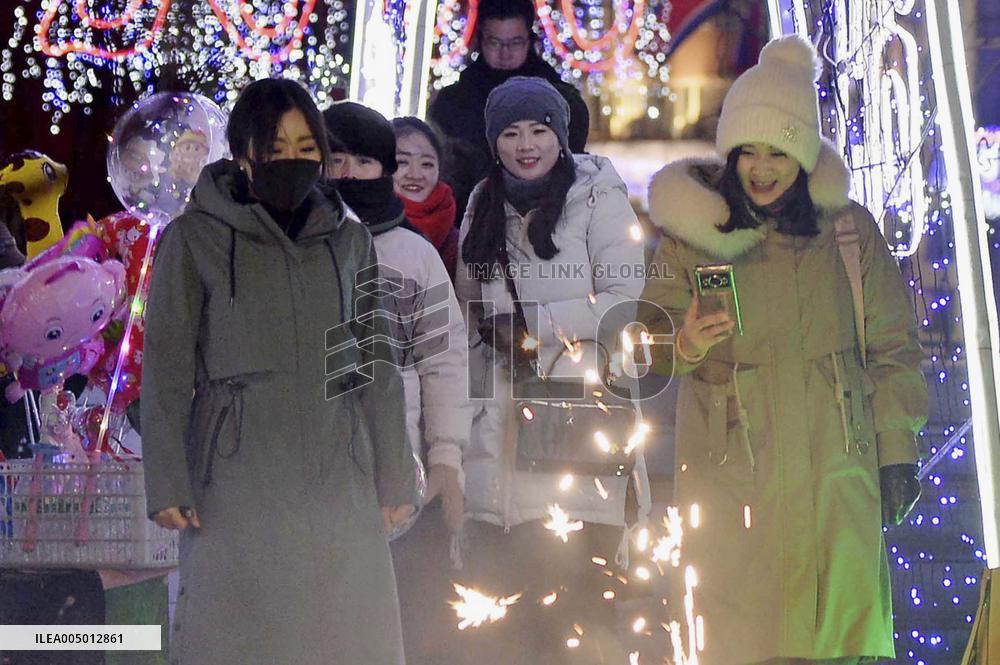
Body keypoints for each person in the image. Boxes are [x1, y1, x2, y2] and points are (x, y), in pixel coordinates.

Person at [638, 36, 928, 665]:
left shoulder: (849, 232)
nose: (762, 169)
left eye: (780, 151)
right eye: (749, 152)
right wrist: (680, 341)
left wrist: (897, 452)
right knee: (741, 641)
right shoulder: (693, 236)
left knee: (838, 642)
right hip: (733, 476)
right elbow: (644, 340)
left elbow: (894, 348)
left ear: (804, 155)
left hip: (836, 471)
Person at [141, 79, 417, 665]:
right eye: (274, 147)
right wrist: (167, 480)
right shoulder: (193, 240)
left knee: (343, 637)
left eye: (304, 146)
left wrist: (396, 472)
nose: (291, 160)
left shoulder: (348, 239)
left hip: (338, 466)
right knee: (239, 638)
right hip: (236, 474)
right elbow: (165, 369)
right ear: (243, 155)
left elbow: (377, 362)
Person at [453, 76, 649, 664]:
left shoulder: (596, 194)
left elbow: (622, 298)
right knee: (502, 625)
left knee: (577, 615)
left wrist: (535, 331)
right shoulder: (481, 202)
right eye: (510, 133)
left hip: (573, 428)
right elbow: (468, 311)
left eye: (539, 129)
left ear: (560, 135)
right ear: (494, 142)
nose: (526, 144)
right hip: (495, 431)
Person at [323, 101, 473, 664]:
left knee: (396, 624)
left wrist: (446, 459)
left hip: (396, 473)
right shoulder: (291, 246)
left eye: (363, 160)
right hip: (307, 469)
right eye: (335, 157)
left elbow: (444, 360)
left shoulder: (414, 254)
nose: (347, 173)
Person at [427, 0, 590, 225]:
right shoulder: (453, 102)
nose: (505, 53)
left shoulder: (563, 101)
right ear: (480, 41)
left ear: (529, 41)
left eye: (515, 43)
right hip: (471, 222)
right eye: (495, 43)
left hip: (547, 223)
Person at [391, 116, 460, 280]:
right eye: (402, 162)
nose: (415, 175)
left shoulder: (460, 243)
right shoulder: (363, 230)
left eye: (427, 164)